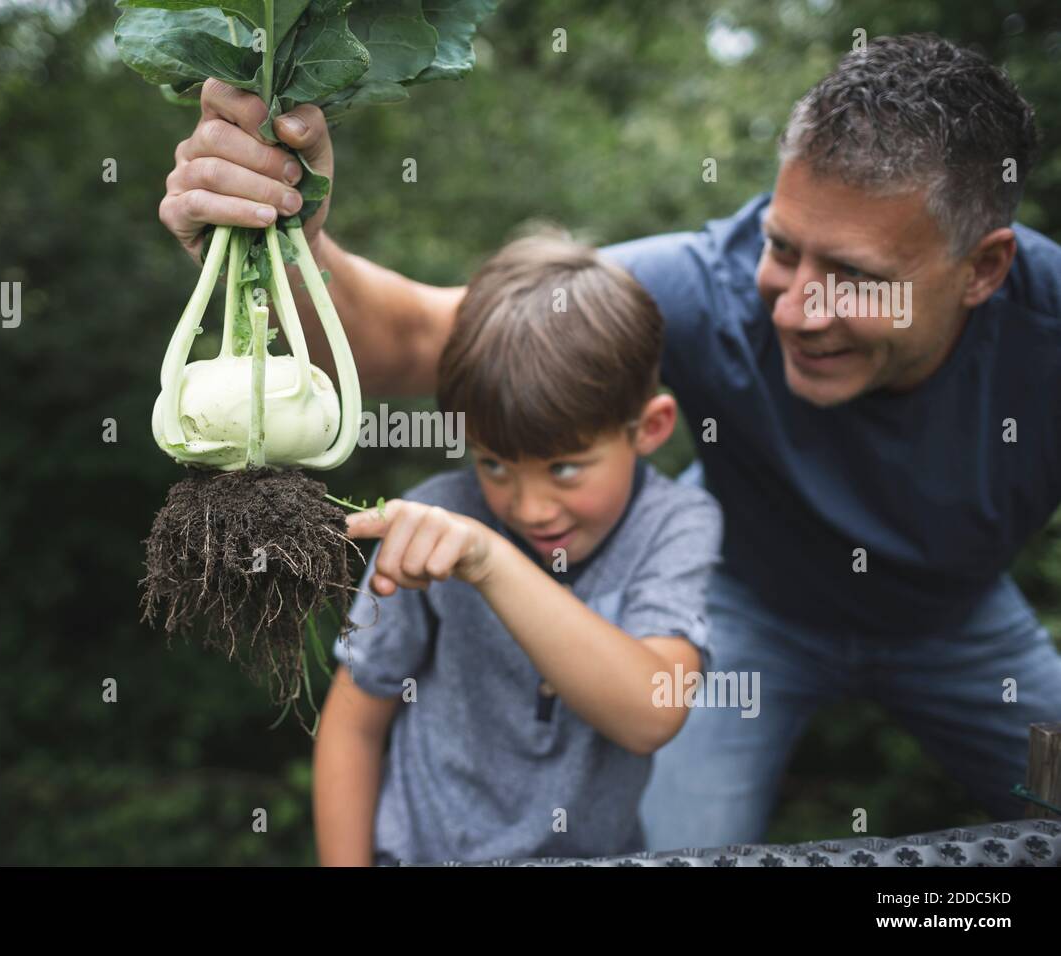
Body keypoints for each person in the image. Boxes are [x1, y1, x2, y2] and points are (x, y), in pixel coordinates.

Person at [161, 34, 1061, 849]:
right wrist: (290, 228)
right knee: (676, 860)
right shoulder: (703, 286)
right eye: (784, 249)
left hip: (962, 623)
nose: (792, 307)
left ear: (983, 268)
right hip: (743, 612)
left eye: (854, 279)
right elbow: (418, 341)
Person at [311, 231, 721, 865]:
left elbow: (649, 713)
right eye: (495, 464)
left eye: (564, 469)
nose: (528, 508)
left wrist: (491, 561)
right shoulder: (434, 523)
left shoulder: (675, 525)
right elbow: (356, 720)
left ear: (651, 429)